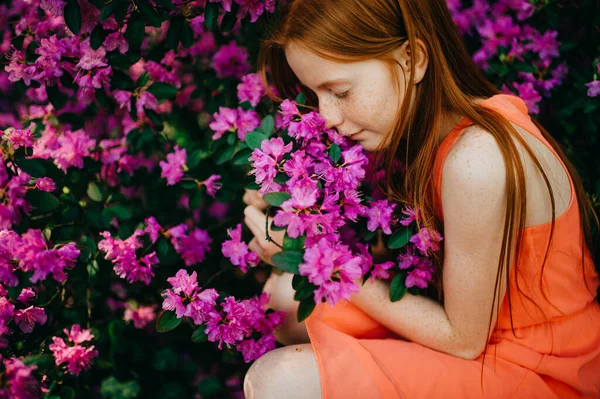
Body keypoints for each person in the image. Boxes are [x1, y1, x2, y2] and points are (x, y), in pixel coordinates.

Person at [241, 0, 600, 398]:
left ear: (412, 58)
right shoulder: (444, 134)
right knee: (284, 304)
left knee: (280, 380)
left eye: (340, 91)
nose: (326, 116)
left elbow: (463, 340)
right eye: (314, 94)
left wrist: (322, 260)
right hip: (490, 349)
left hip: (542, 373)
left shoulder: (477, 160)